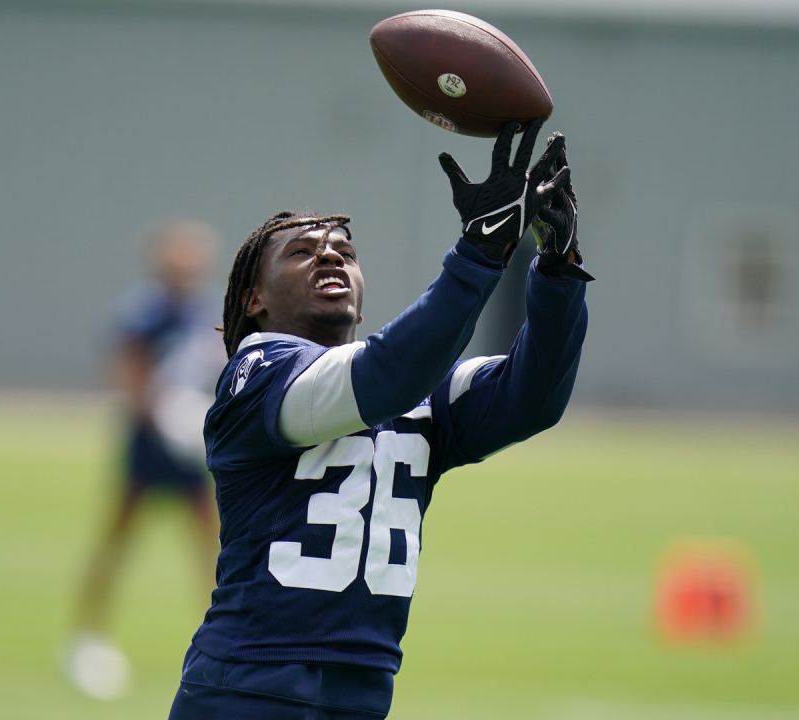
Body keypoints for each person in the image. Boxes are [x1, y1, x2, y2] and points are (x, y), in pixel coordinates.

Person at [168, 122, 592, 719]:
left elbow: (534, 397)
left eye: (344, 250)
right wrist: (478, 252)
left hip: (362, 695)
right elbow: (383, 376)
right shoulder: (255, 373)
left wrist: (557, 265)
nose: (329, 255)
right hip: (248, 686)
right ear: (252, 299)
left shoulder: (410, 382)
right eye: (302, 251)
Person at [67, 220, 227, 700]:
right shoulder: (143, 313)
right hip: (148, 444)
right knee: (117, 540)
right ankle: (86, 633)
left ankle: (220, 640)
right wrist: (164, 414)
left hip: (193, 449)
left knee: (215, 547)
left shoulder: (209, 312)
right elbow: (129, 372)